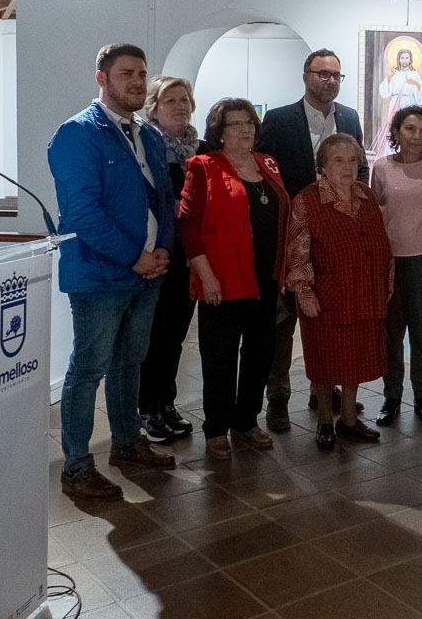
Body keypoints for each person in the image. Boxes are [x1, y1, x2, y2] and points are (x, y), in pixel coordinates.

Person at [47, 43, 177, 500]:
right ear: (102, 78)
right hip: (100, 275)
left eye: (142, 73)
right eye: (127, 73)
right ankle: (76, 465)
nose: (137, 82)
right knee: (88, 369)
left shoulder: (150, 134)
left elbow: (164, 201)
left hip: (148, 273)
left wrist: (161, 251)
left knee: (130, 362)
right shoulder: (77, 134)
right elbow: (83, 214)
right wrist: (135, 256)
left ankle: (126, 442)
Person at [257, 49, 368, 431]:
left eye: (336, 75)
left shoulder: (350, 117)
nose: (329, 81)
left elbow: (361, 168)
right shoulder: (278, 119)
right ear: (305, 76)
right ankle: (278, 397)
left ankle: (325, 390)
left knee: (332, 316)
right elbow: (265, 173)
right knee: (285, 319)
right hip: (293, 231)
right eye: (322, 74)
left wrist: (350, 206)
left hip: (336, 234)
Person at [178, 98, 289, 460]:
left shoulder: (267, 163)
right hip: (222, 280)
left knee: (260, 354)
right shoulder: (202, 166)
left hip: (265, 279)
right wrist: (205, 275)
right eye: (235, 124)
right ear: (219, 132)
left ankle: (246, 421)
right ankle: (216, 429)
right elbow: (188, 225)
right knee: (220, 357)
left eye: (249, 123)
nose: (245, 130)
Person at [286, 133, 392, 449]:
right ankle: (323, 422)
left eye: (352, 160)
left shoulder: (367, 195)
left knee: (355, 358)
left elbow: (381, 241)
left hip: (365, 291)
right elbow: (296, 250)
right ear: (323, 165)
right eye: (338, 160)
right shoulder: (306, 201)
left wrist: (385, 282)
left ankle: (348, 419)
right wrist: (304, 292)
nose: (347, 167)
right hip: (328, 295)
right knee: (325, 359)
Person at [371, 105, 422, 426]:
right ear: (395, 132)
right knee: (391, 335)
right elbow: (375, 214)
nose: (416, 136)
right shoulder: (382, 168)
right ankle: (391, 398)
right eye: (409, 129)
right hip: (390, 264)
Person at [138, 76, 201, 444]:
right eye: (169, 101)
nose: (179, 106)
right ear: (154, 108)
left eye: (184, 100)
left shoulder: (199, 148)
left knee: (175, 335)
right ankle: (146, 407)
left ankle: (166, 403)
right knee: (153, 335)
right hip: (158, 252)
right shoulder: (147, 148)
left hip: (188, 255)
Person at [371, 47, 422, 159]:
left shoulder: (414, 74)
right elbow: (384, 92)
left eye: (407, 58)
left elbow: (421, 94)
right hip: (396, 103)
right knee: (396, 129)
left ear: (410, 60)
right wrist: (390, 78)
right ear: (398, 59)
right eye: (402, 58)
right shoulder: (394, 73)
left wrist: (416, 84)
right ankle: (395, 154)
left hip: (410, 103)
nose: (404, 60)